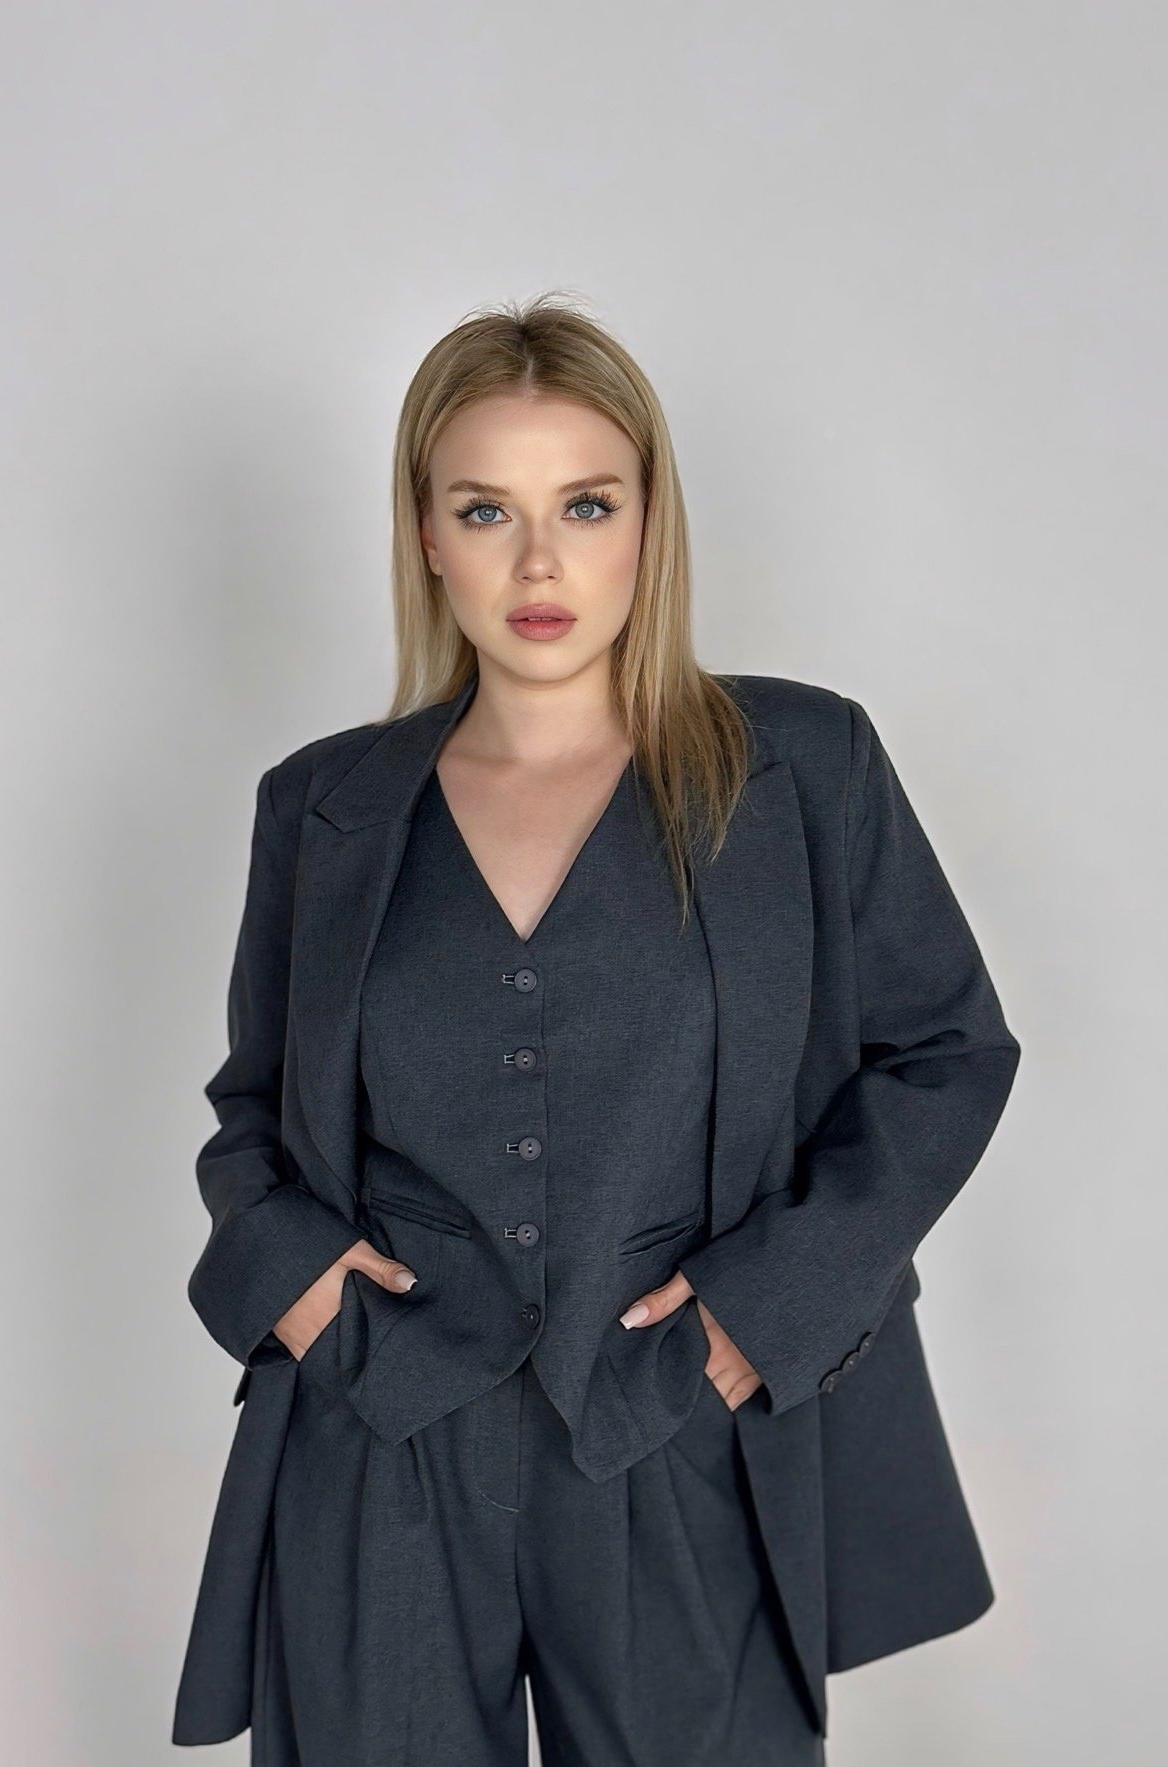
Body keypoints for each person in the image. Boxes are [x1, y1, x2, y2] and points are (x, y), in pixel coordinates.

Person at [172, 293, 1022, 1765]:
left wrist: (766, 1309)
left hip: (674, 1424)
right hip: (380, 1433)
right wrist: (291, 1279)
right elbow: (254, 1108)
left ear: (648, 521)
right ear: (426, 536)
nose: (538, 562)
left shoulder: (800, 767)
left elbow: (946, 1054)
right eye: (484, 511)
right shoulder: (323, 806)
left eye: (584, 503)